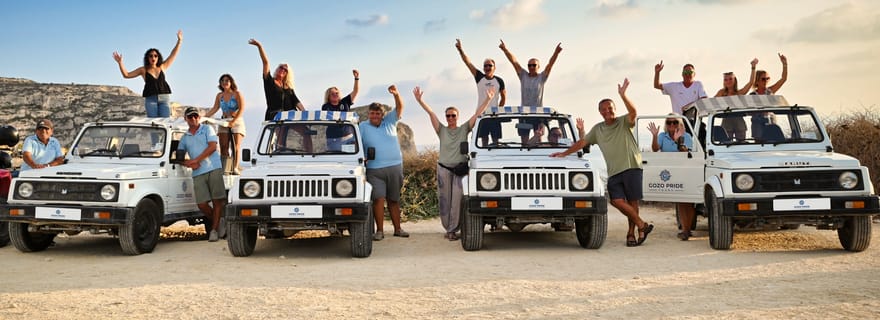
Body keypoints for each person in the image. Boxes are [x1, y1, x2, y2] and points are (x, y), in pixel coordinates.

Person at [551, 79, 654, 247]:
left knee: (633, 202)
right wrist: (564, 153)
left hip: (631, 166)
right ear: (600, 112)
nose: (608, 111)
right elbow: (582, 143)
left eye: (610, 108)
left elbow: (634, 111)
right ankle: (642, 225)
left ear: (615, 109)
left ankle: (631, 234)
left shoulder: (623, 122)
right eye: (604, 109)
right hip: (613, 171)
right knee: (616, 201)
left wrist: (623, 95)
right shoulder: (598, 129)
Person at [413, 86, 494, 241]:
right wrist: (420, 100)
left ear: (457, 116)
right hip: (443, 168)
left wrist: (488, 99)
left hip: (460, 169)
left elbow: (477, 114)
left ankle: (452, 230)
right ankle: (448, 228)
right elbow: (431, 113)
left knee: (457, 201)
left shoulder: (464, 129)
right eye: (448, 116)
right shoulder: (441, 130)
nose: (450, 118)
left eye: (453, 116)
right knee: (444, 200)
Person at [360, 85, 408, 241]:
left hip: (395, 167)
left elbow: (400, 107)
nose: (375, 116)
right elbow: (357, 145)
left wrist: (396, 94)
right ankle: (379, 231)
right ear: (368, 114)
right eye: (372, 113)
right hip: (374, 169)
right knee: (378, 199)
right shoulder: (362, 126)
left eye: (377, 113)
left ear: (382, 115)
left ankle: (398, 229)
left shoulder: (389, 121)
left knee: (394, 199)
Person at [178, 107, 225, 242]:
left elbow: (212, 147)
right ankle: (219, 222)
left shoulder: (207, 129)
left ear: (199, 117)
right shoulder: (184, 137)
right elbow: (179, 156)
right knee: (202, 204)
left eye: (195, 116)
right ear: (185, 119)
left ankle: (214, 230)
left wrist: (196, 160)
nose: (193, 119)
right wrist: (189, 163)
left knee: (217, 201)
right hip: (198, 171)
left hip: (213, 167)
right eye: (190, 116)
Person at [112, 30, 183, 118]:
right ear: (147, 58)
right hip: (151, 99)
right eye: (151, 55)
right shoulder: (143, 70)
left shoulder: (162, 67)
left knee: (165, 122)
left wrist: (179, 41)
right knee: (153, 123)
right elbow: (126, 75)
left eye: (155, 55)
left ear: (158, 57)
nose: (153, 57)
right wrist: (120, 62)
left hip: (164, 98)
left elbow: (173, 54)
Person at [647, 116, 697, 240]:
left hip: (685, 170)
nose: (672, 124)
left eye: (675, 122)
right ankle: (686, 229)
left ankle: (686, 230)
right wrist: (654, 135)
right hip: (672, 171)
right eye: (669, 122)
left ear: (679, 123)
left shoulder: (686, 136)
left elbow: (686, 152)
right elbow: (655, 149)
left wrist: (677, 140)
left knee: (688, 202)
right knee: (680, 200)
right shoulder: (662, 136)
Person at [455, 39, 507, 146]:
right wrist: (460, 50)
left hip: (494, 116)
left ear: (494, 68)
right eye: (485, 66)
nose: (487, 67)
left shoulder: (499, 81)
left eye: (490, 66)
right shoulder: (479, 77)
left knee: (496, 141)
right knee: (484, 141)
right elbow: (468, 62)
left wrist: (498, 110)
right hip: (482, 115)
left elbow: (504, 97)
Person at [248, 38, 304, 121]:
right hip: (275, 115)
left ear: (287, 74)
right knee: (280, 132)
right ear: (277, 69)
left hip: (289, 116)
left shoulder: (288, 87)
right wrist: (260, 46)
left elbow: (296, 101)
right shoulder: (269, 81)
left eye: (285, 70)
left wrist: (305, 113)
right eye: (281, 67)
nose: (282, 70)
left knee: (305, 131)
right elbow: (265, 63)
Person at [499, 39, 562, 107]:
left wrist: (556, 52)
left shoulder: (542, 77)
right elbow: (514, 62)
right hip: (524, 113)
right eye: (529, 65)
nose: (531, 67)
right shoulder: (523, 75)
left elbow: (550, 64)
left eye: (534, 65)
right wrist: (505, 50)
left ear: (538, 66)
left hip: (538, 113)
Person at [204, 74, 246, 175]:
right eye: (222, 81)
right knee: (223, 146)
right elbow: (215, 108)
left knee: (235, 146)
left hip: (236, 121)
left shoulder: (237, 94)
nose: (225, 82)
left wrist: (233, 121)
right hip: (224, 121)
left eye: (227, 80)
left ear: (231, 82)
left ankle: (235, 167)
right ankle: (226, 168)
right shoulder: (219, 96)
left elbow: (242, 108)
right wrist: (205, 117)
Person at [716, 58, 759, 141]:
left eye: (730, 79)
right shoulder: (721, 93)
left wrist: (753, 67)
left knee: (741, 143)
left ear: (734, 80)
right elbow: (712, 102)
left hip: (739, 121)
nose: (728, 81)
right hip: (726, 121)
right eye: (726, 79)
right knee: (727, 143)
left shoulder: (740, 93)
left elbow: (751, 83)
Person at [321, 70, 360, 151]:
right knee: (337, 160)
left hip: (348, 138)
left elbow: (355, 91)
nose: (335, 95)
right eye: (332, 93)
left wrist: (356, 78)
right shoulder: (326, 106)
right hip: (334, 139)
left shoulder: (345, 102)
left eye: (337, 93)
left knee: (349, 159)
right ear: (328, 96)